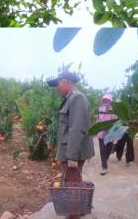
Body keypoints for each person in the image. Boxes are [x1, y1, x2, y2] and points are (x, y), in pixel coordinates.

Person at [48, 71, 94, 219]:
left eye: (58, 84)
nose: (57, 88)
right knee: (72, 182)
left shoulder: (77, 98)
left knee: (71, 183)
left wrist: (72, 157)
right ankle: (76, 211)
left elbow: (77, 128)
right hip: (70, 150)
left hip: (73, 152)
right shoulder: (71, 99)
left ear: (66, 81)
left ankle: (74, 215)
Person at [97, 94, 118, 175]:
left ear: (110, 101)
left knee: (108, 150)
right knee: (102, 151)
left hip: (110, 135)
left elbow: (116, 123)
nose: (106, 102)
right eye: (105, 100)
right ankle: (104, 168)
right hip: (101, 134)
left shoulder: (114, 111)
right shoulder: (100, 110)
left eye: (108, 100)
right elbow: (98, 121)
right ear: (103, 101)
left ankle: (104, 161)